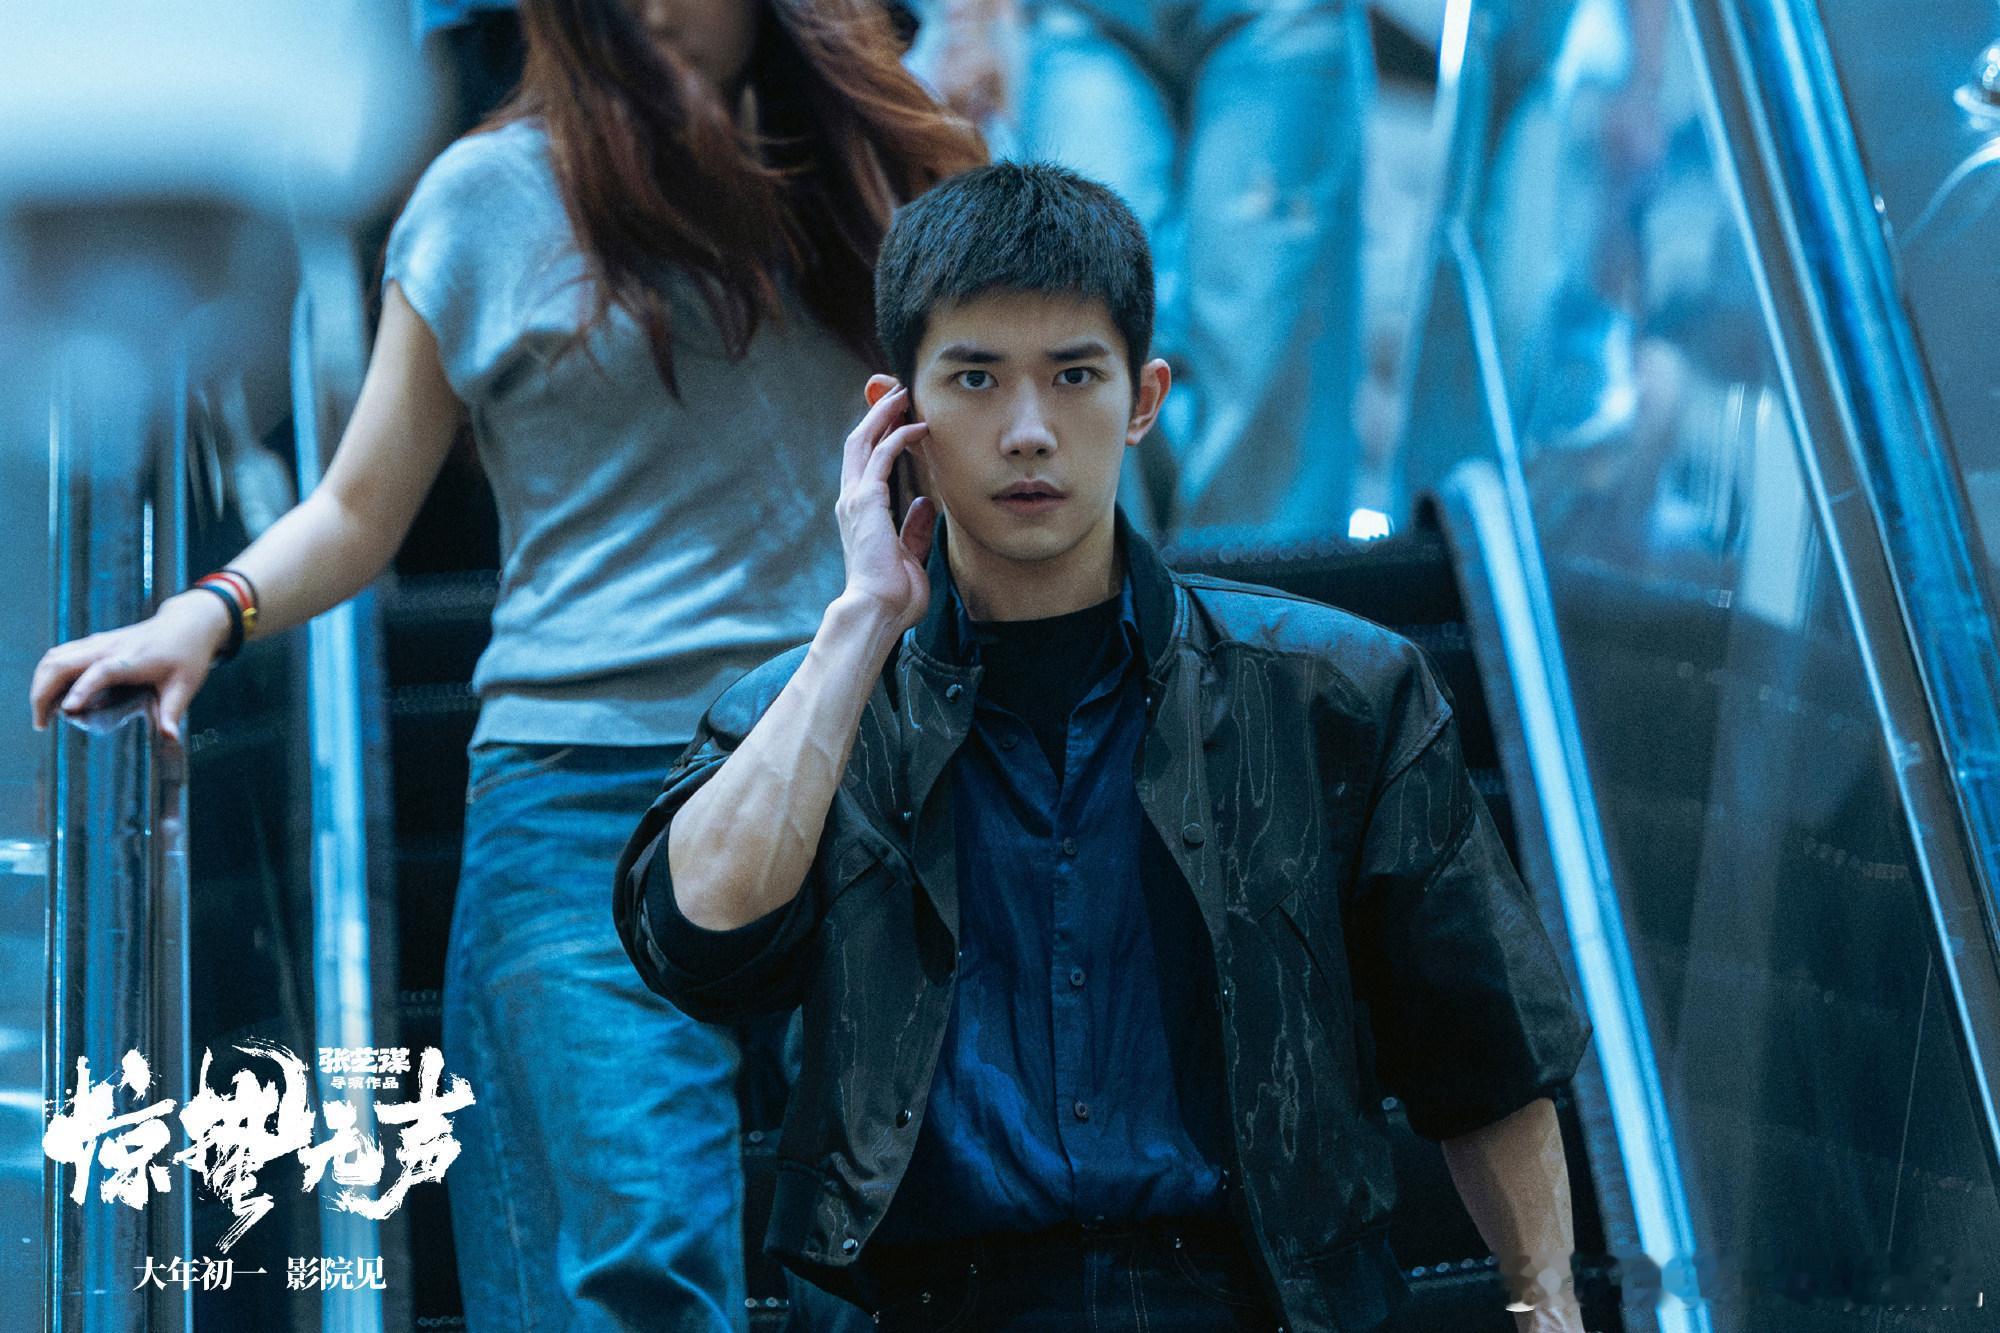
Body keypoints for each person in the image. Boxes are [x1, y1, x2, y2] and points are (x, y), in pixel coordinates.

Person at [29, 2, 982, 1329]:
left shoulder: (879, 167)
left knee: (915, 1253)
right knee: (630, 1266)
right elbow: (360, 504)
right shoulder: (484, 199)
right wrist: (208, 610)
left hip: (860, 766)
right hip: (584, 791)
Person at [612, 162, 1595, 1332]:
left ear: (1141, 397)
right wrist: (863, 621)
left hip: (1247, 1302)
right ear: (895, 412)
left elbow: (1478, 1048)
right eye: (975, 379)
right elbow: (693, 940)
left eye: (1073, 375)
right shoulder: (815, 708)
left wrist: (1546, 1304)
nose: (1027, 431)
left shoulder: (1333, 692)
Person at [924, 0, 1374, 544]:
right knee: (1087, 315)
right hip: (1085, 16)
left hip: (1279, 12)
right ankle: (1108, 586)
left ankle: (1268, 593)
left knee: (1270, 348)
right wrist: (968, 25)